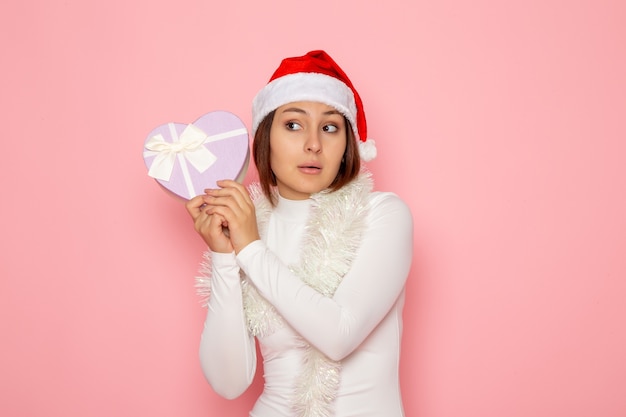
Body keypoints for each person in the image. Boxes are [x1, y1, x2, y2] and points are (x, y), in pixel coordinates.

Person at [186, 50, 413, 417]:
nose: (313, 144)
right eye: (293, 125)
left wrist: (250, 249)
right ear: (266, 138)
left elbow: (339, 335)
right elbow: (229, 384)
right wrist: (224, 257)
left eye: (329, 127)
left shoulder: (381, 214)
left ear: (347, 144)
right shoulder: (247, 228)